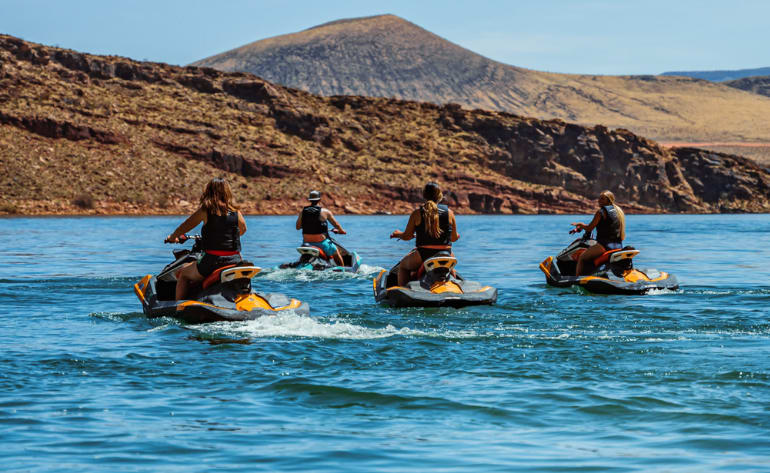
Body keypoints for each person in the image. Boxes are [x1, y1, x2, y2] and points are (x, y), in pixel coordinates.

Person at [165, 178, 247, 300]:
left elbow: (185, 226)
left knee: (183, 274)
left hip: (212, 262)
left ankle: (179, 308)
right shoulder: (236, 212)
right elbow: (243, 230)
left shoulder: (206, 210)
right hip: (234, 260)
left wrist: (172, 237)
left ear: (208, 192)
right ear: (227, 192)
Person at [390, 182, 459, 286]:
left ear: (424, 195)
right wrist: (457, 235)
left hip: (424, 254)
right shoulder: (450, 213)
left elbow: (407, 236)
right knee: (450, 264)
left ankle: (404, 291)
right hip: (446, 253)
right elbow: (453, 238)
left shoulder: (417, 213)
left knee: (403, 267)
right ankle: (454, 283)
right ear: (440, 195)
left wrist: (398, 234)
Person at [570, 190, 626, 276]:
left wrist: (581, 224)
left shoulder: (601, 212)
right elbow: (606, 225)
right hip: (618, 245)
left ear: (609, 200)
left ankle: (577, 281)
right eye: (599, 198)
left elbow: (590, 228)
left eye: (602, 199)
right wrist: (581, 227)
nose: (599, 201)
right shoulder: (618, 211)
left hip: (604, 245)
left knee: (582, 258)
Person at [295, 190, 346, 266]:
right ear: (319, 200)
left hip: (306, 244)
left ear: (310, 200)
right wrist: (341, 231)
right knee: (336, 253)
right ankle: (343, 270)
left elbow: (298, 227)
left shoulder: (303, 212)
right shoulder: (325, 212)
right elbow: (337, 225)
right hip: (321, 244)